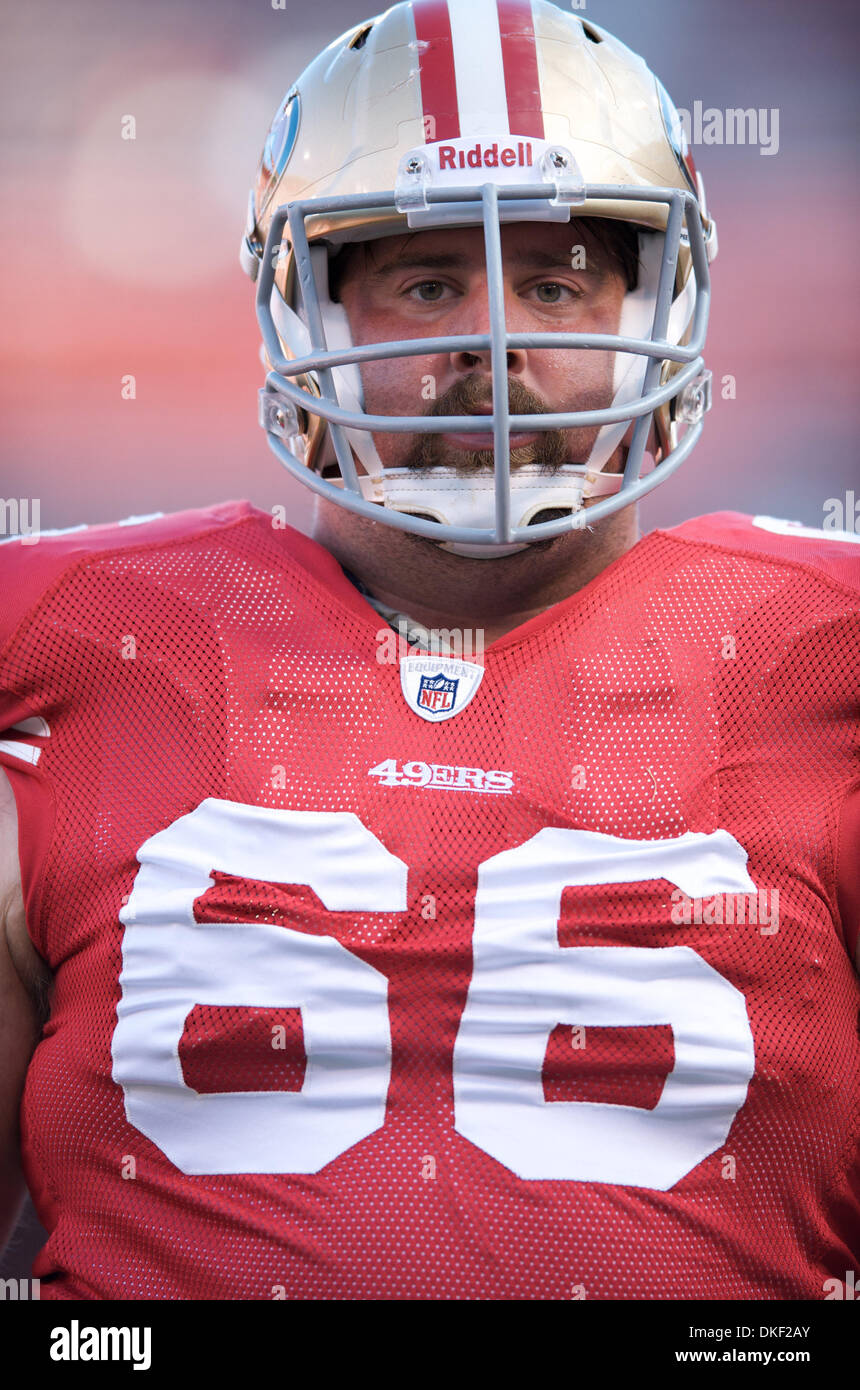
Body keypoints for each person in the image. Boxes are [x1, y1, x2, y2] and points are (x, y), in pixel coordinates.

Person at [0, 0, 857, 1301]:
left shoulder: (821, 656)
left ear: (664, 301)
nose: (497, 348)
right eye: (426, 283)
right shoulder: (70, 643)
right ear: (309, 314)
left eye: (560, 283)